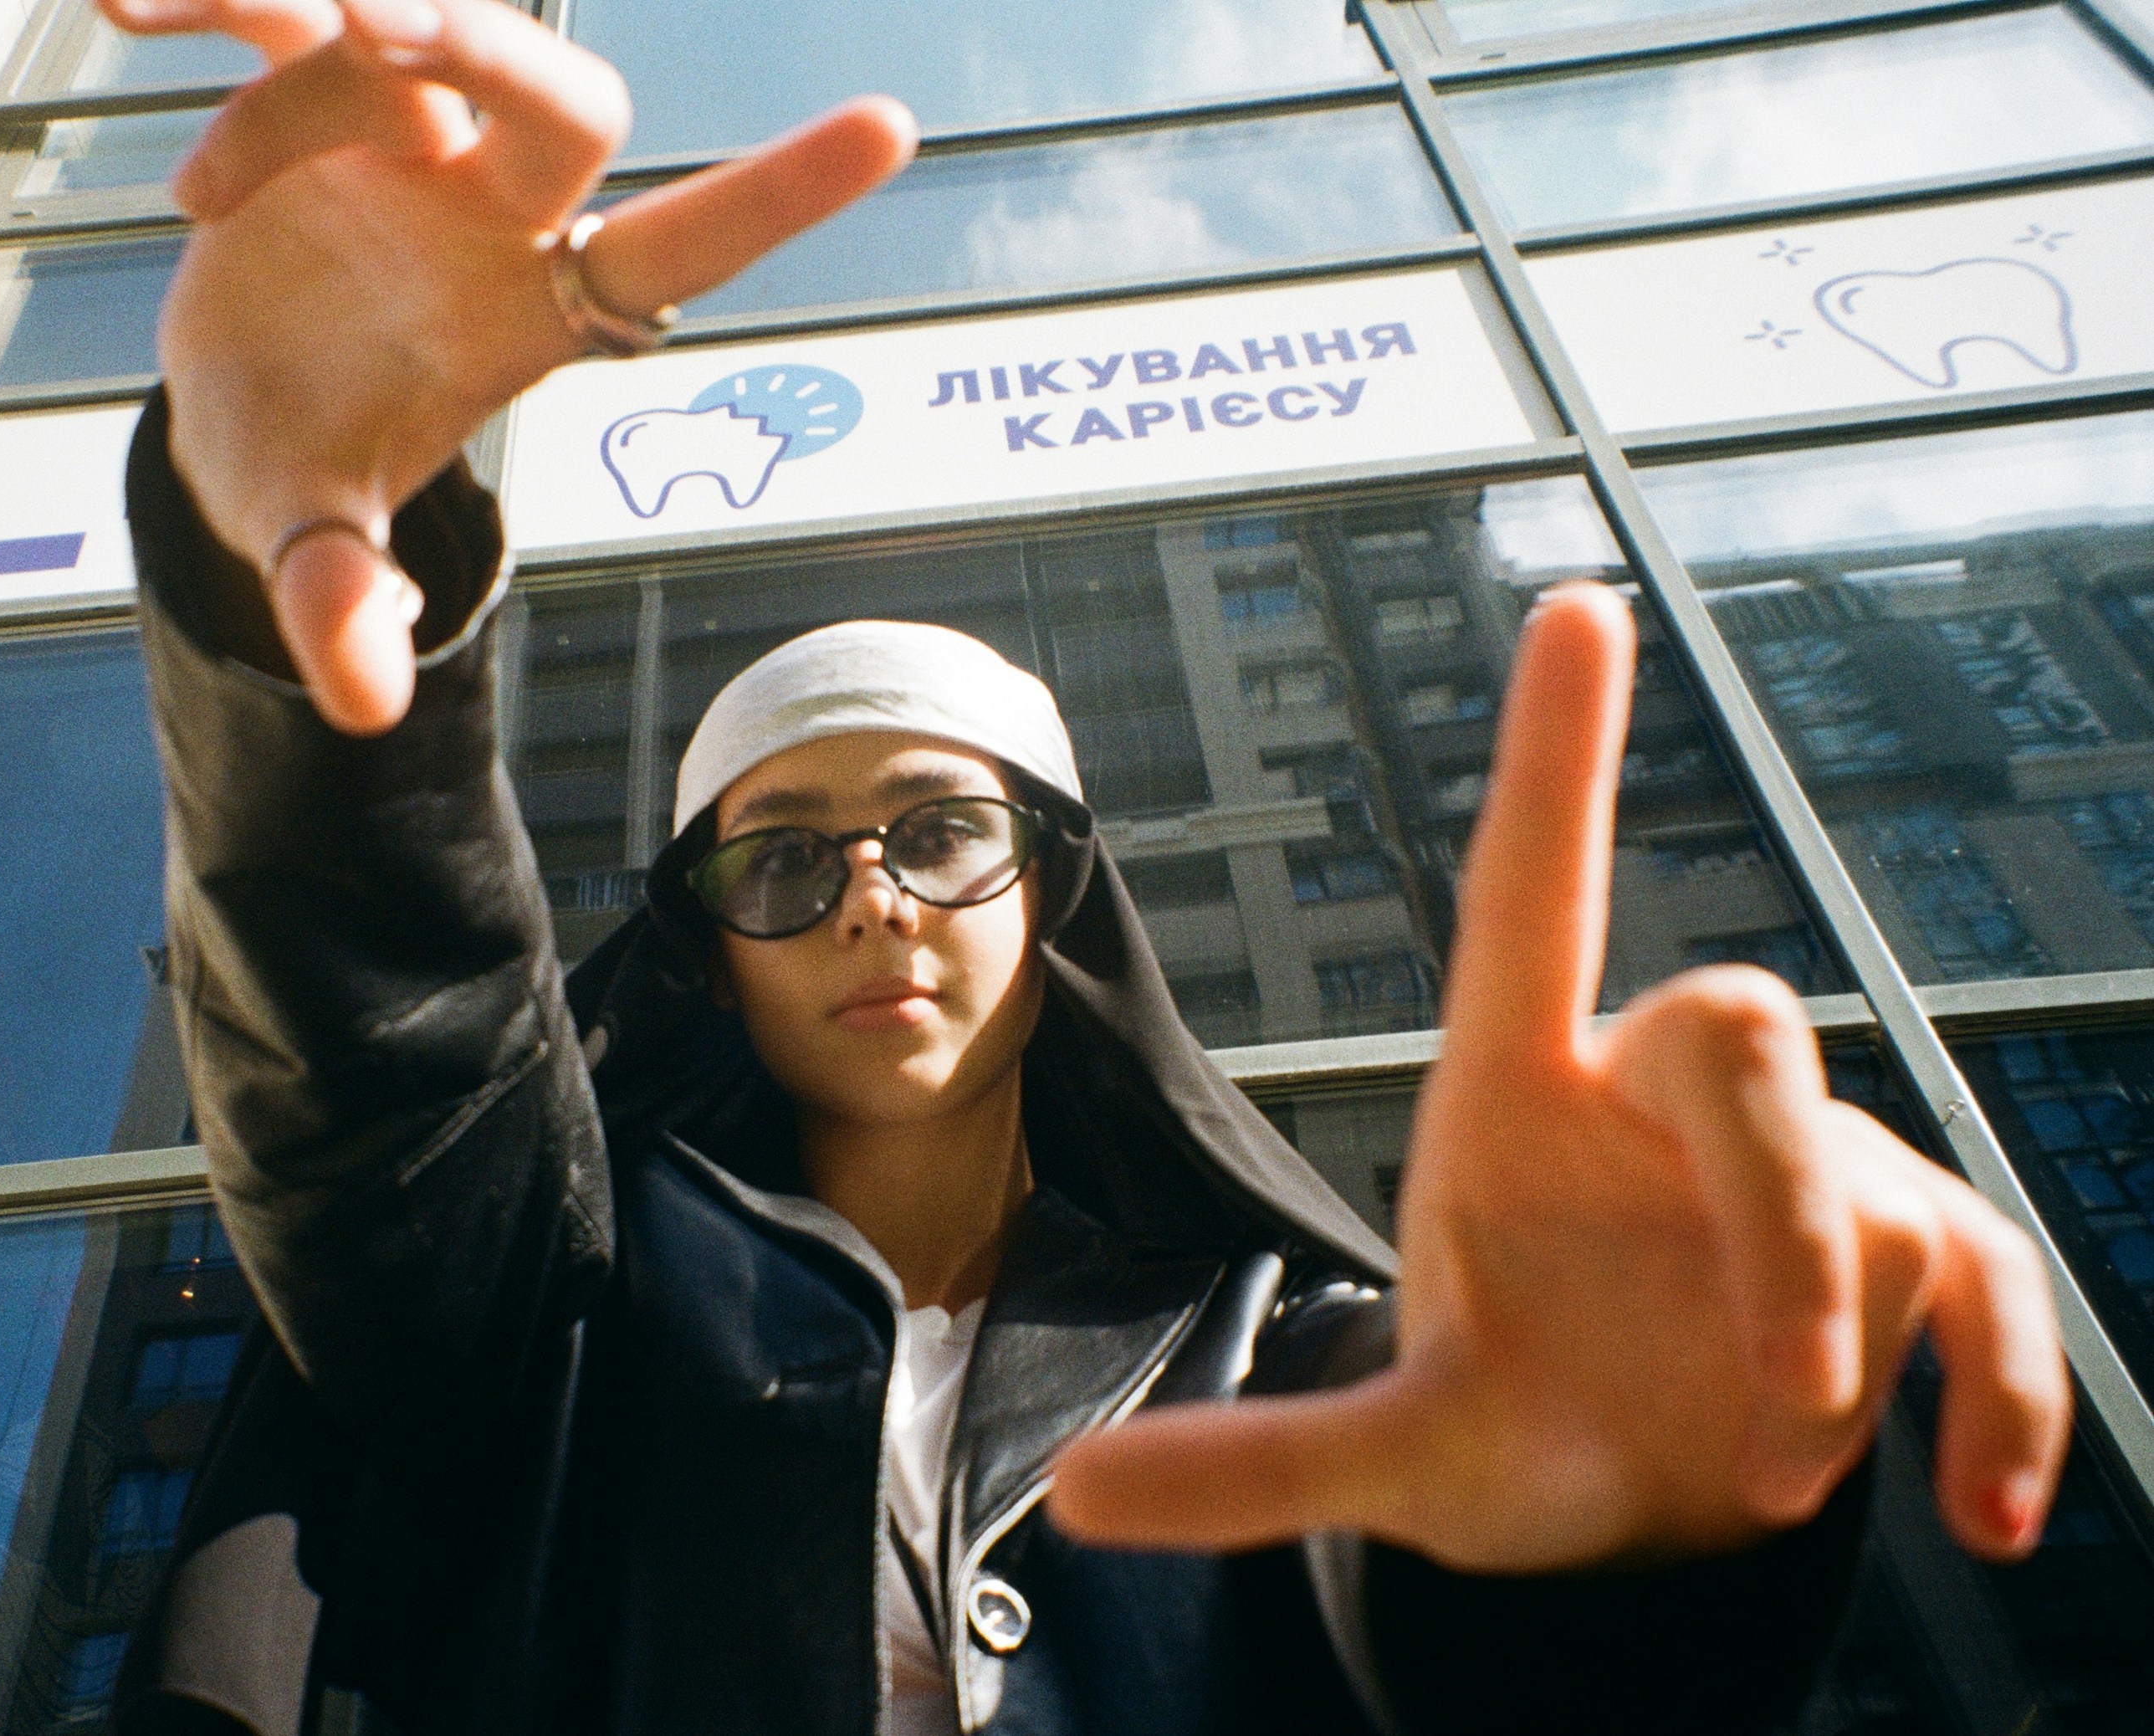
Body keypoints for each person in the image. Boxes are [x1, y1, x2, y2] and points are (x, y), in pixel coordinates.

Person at [100, 1, 2075, 1730]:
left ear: (1055, 895)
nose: (868, 896)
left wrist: (1624, 1537)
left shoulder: (1279, 1344)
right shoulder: (548, 1308)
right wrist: (273, 565)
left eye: (942, 833)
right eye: (779, 866)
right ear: (705, 957)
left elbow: (1495, 1656)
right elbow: (389, 1033)